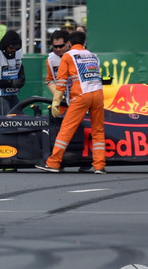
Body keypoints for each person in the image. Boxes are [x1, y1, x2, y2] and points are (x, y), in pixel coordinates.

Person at [36, 30, 106, 174]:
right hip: (98, 94)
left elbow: (61, 81)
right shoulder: (94, 56)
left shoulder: (67, 56)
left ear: (69, 43)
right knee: (98, 130)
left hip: (81, 96)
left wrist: (56, 102)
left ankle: (53, 163)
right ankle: (99, 166)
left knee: (66, 130)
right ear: (85, 42)